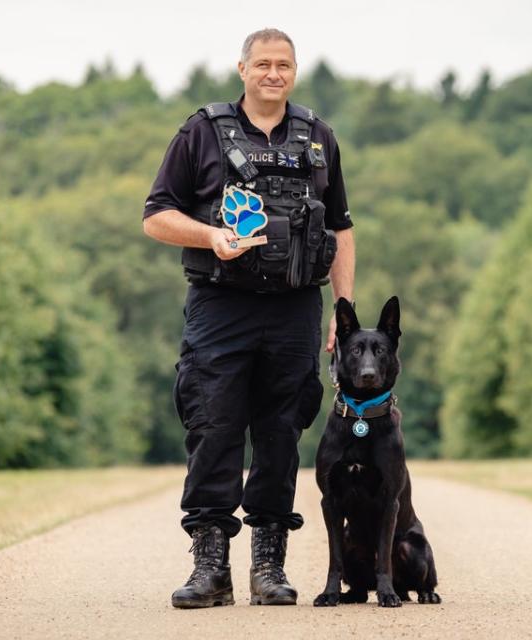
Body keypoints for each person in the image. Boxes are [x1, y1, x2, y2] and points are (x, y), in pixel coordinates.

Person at [142, 28, 355, 608]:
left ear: (294, 71)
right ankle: (210, 567)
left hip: (293, 310)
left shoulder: (318, 137)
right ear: (242, 69)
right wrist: (212, 236)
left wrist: (343, 309)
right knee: (213, 426)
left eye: (283, 64)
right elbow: (156, 216)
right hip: (221, 305)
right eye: (262, 64)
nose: (273, 74)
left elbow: (340, 228)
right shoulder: (202, 131)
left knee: (281, 431)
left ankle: (269, 567)